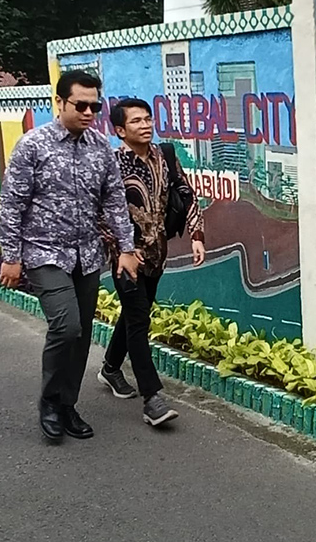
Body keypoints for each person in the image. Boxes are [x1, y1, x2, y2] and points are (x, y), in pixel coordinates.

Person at [0, 70, 140, 442]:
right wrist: (11, 256)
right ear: (59, 102)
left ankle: (67, 404)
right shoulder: (33, 145)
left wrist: (126, 248)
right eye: (81, 105)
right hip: (44, 253)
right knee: (67, 326)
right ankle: (48, 400)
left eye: (96, 105)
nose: (90, 112)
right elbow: (12, 204)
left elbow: (114, 201)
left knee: (82, 333)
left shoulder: (99, 147)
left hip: (87, 254)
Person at [97, 98, 206, 427]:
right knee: (139, 323)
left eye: (147, 119)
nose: (145, 125)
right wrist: (123, 248)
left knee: (136, 316)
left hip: (157, 254)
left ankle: (110, 368)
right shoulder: (111, 165)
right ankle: (152, 400)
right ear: (119, 130)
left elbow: (185, 193)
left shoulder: (165, 155)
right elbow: (99, 212)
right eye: (136, 121)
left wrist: (197, 233)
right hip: (125, 259)